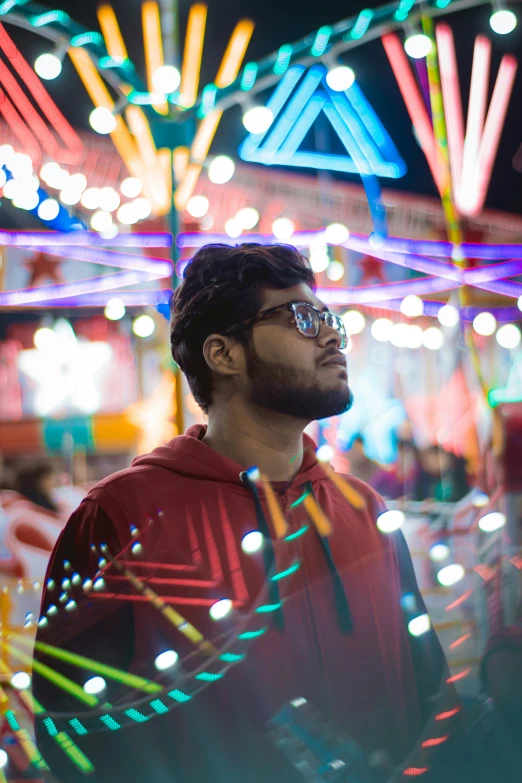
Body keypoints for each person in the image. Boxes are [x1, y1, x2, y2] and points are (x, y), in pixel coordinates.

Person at [34, 244, 460, 782]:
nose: (332, 336)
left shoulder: (364, 507)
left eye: (330, 320)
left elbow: (429, 688)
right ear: (223, 354)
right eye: (302, 319)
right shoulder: (122, 515)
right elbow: (70, 731)